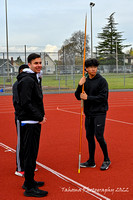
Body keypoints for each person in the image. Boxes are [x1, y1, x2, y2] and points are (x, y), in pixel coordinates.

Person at [17, 53, 48, 197]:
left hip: (33, 121)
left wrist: (40, 115)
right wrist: (39, 116)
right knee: (30, 154)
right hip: (30, 122)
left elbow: (36, 101)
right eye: (36, 63)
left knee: (33, 153)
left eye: (40, 62)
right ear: (29, 64)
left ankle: (29, 181)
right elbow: (26, 103)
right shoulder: (28, 80)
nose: (39, 65)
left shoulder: (34, 78)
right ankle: (29, 188)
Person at [75, 58, 111, 170]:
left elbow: (103, 98)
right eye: (90, 67)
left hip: (99, 112)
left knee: (99, 136)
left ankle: (106, 159)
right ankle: (91, 161)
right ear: (86, 68)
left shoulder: (102, 81)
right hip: (88, 113)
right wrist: (79, 85)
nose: (93, 69)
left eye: (95, 67)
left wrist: (88, 98)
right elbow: (78, 96)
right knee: (89, 137)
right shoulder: (85, 80)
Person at [13, 64, 29, 177]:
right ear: (19, 72)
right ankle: (19, 168)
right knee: (21, 142)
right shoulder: (17, 84)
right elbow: (18, 102)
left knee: (29, 142)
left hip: (30, 118)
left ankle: (27, 164)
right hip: (21, 117)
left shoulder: (30, 83)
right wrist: (22, 115)